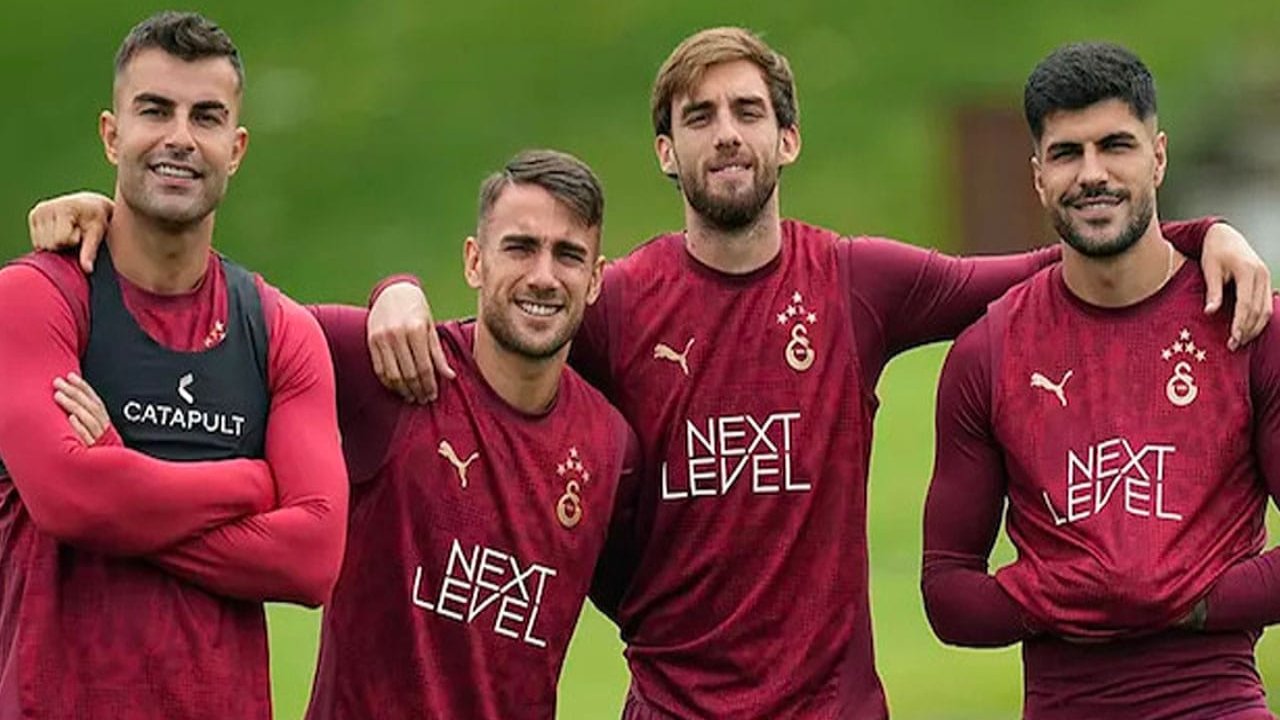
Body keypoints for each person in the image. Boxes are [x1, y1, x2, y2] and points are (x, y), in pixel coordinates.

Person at [28, 27, 1272, 719]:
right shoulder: (608, 301)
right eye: (698, 117)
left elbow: (1041, 259)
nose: (726, 134)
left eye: (748, 112)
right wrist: (118, 225)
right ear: (666, 153)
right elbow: (402, 328)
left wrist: (1190, 233)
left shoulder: (857, 282)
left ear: (787, 137)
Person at [40, 150, 640, 720]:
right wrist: (120, 229)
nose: (543, 276)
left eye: (567, 255)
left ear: (594, 280)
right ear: (474, 262)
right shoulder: (390, 368)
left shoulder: (611, 449)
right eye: (520, 247)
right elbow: (214, 322)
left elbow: (658, 608)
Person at [0, 11, 348, 719]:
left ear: (236, 148)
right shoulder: (35, 299)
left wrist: (115, 473)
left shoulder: (280, 331)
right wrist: (249, 483)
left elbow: (313, 558)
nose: (180, 138)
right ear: (112, 134)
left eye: (206, 116)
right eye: (155, 110)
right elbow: (69, 500)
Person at [921, 42, 1280, 719]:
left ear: (1158, 157)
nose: (1092, 174)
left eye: (1115, 146)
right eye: (1067, 153)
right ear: (1038, 176)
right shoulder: (986, 353)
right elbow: (947, 593)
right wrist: (1073, 593)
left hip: (1217, 701)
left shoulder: (1247, 323)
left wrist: (1190, 600)